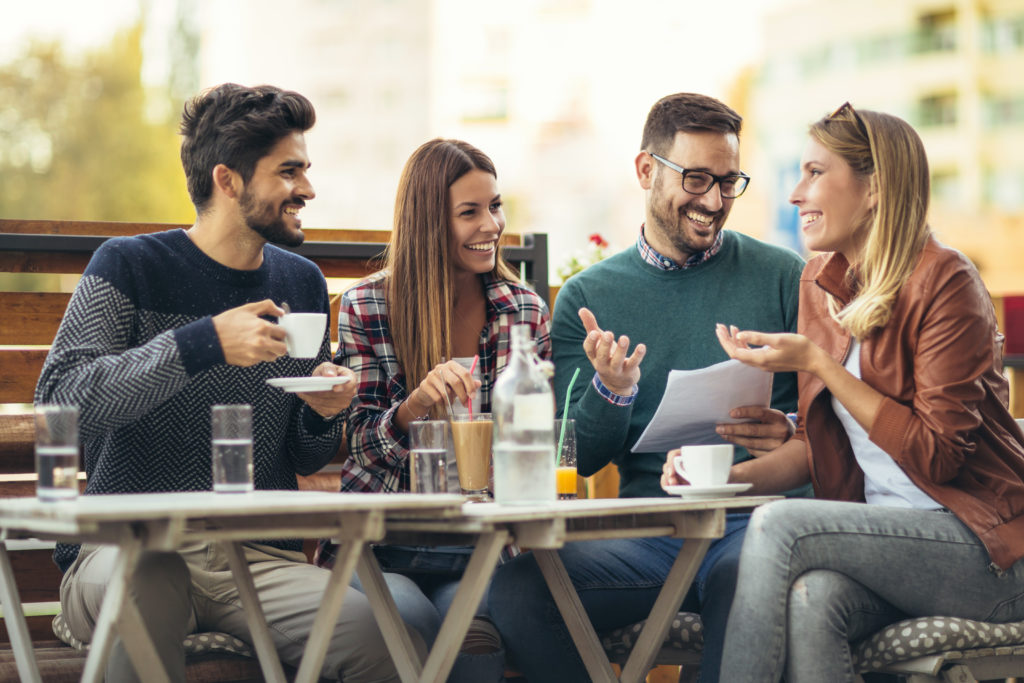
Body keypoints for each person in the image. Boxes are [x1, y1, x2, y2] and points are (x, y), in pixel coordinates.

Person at [34, 83, 415, 682]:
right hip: (129, 549)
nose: (308, 190)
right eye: (289, 172)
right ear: (228, 180)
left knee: (380, 641)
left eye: (306, 171)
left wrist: (324, 410)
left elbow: (305, 452)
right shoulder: (130, 265)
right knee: (150, 580)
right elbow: (60, 398)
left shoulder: (303, 282)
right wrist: (201, 344)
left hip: (259, 558)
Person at [697, 103, 1024, 682]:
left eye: (815, 173)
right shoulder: (820, 281)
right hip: (890, 545)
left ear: (874, 189)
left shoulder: (945, 281)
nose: (796, 194)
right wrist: (720, 481)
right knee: (813, 599)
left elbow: (938, 455)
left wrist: (821, 364)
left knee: (777, 525)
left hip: (982, 549)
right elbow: (822, 444)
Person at [488, 92, 806, 683]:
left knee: (749, 584)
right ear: (645, 171)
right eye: (696, 178)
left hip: (758, 522)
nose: (713, 200)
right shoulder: (588, 299)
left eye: (728, 181)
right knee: (519, 594)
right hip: (650, 531)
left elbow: (826, 425)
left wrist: (786, 430)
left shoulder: (785, 276)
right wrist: (613, 390)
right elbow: (580, 458)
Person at [314, 138, 551, 682]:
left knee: (474, 636)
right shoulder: (365, 305)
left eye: (495, 206)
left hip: (478, 550)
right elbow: (354, 443)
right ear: (427, 222)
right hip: (378, 547)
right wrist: (413, 407)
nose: (491, 224)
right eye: (469, 212)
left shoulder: (523, 312)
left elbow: (532, 451)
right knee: (415, 623)